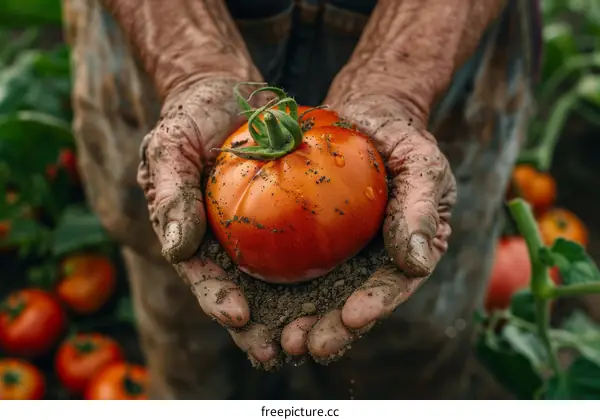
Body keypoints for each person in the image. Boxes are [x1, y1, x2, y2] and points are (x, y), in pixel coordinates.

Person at [62, 0, 540, 399]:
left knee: (409, 364)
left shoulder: (250, 170)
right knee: (193, 358)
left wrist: (402, 79)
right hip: (156, 33)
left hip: (444, 41)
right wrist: (192, 63)